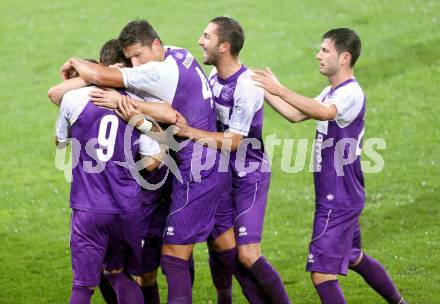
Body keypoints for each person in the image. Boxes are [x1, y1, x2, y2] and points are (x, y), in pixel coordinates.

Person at [59, 20, 229, 303]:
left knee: (173, 259)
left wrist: (78, 66)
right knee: (188, 253)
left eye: (139, 55)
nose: (137, 64)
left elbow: (78, 86)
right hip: (195, 167)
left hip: (196, 170)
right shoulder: (178, 53)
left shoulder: (156, 71)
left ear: (156, 45)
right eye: (131, 58)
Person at [252, 28, 407, 304]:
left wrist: (279, 88)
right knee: (353, 256)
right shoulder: (331, 91)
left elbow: (324, 112)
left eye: (325, 51)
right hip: (340, 192)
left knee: (322, 275)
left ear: (344, 58)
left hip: (339, 196)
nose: (317, 56)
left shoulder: (351, 94)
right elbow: (295, 114)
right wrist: (262, 88)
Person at [175, 16, 290, 304]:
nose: (200, 41)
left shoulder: (247, 86)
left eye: (207, 37)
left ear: (224, 46)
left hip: (249, 176)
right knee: (219, 244)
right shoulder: (213, 79)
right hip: (223, 174)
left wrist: (188, 132)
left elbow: (234, 141)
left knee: (249, 254)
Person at [54, 63, 164, 304]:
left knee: (83, 286)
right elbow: (155, 160)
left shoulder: (73, 98)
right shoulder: (134, 104)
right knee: (121, 274)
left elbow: (60, 142)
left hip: (89, 208)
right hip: (127, 209)